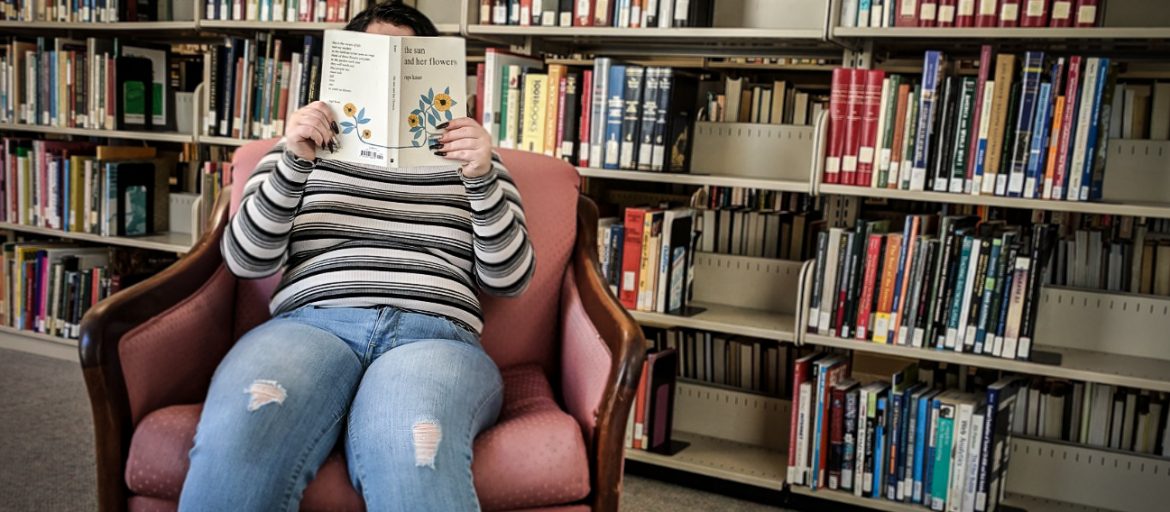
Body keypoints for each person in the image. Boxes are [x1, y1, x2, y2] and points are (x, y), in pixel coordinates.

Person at [178, 3, 535, 511]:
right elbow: (246, 260)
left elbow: (511, 278)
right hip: (312, 323)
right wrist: (293, 160)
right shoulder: (296, 150)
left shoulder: (475, 158)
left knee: (413, 447)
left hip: (432, 333)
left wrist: (480, 176)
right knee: (244, 431)